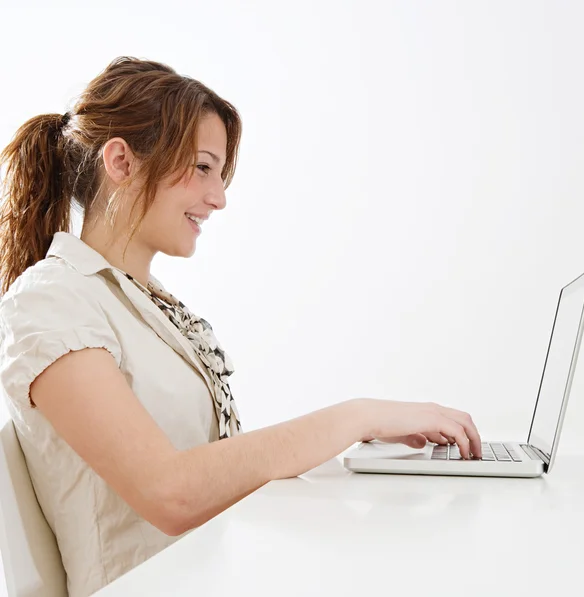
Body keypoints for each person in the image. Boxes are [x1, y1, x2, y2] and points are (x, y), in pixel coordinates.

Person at [0, 56, 482, 597]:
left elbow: (215, 473)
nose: (218, 197)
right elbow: (171, 493)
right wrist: (358, 416)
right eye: (203, 168)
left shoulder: (144, 302)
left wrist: (365, 435)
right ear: (121, 161)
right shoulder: (52, 300)